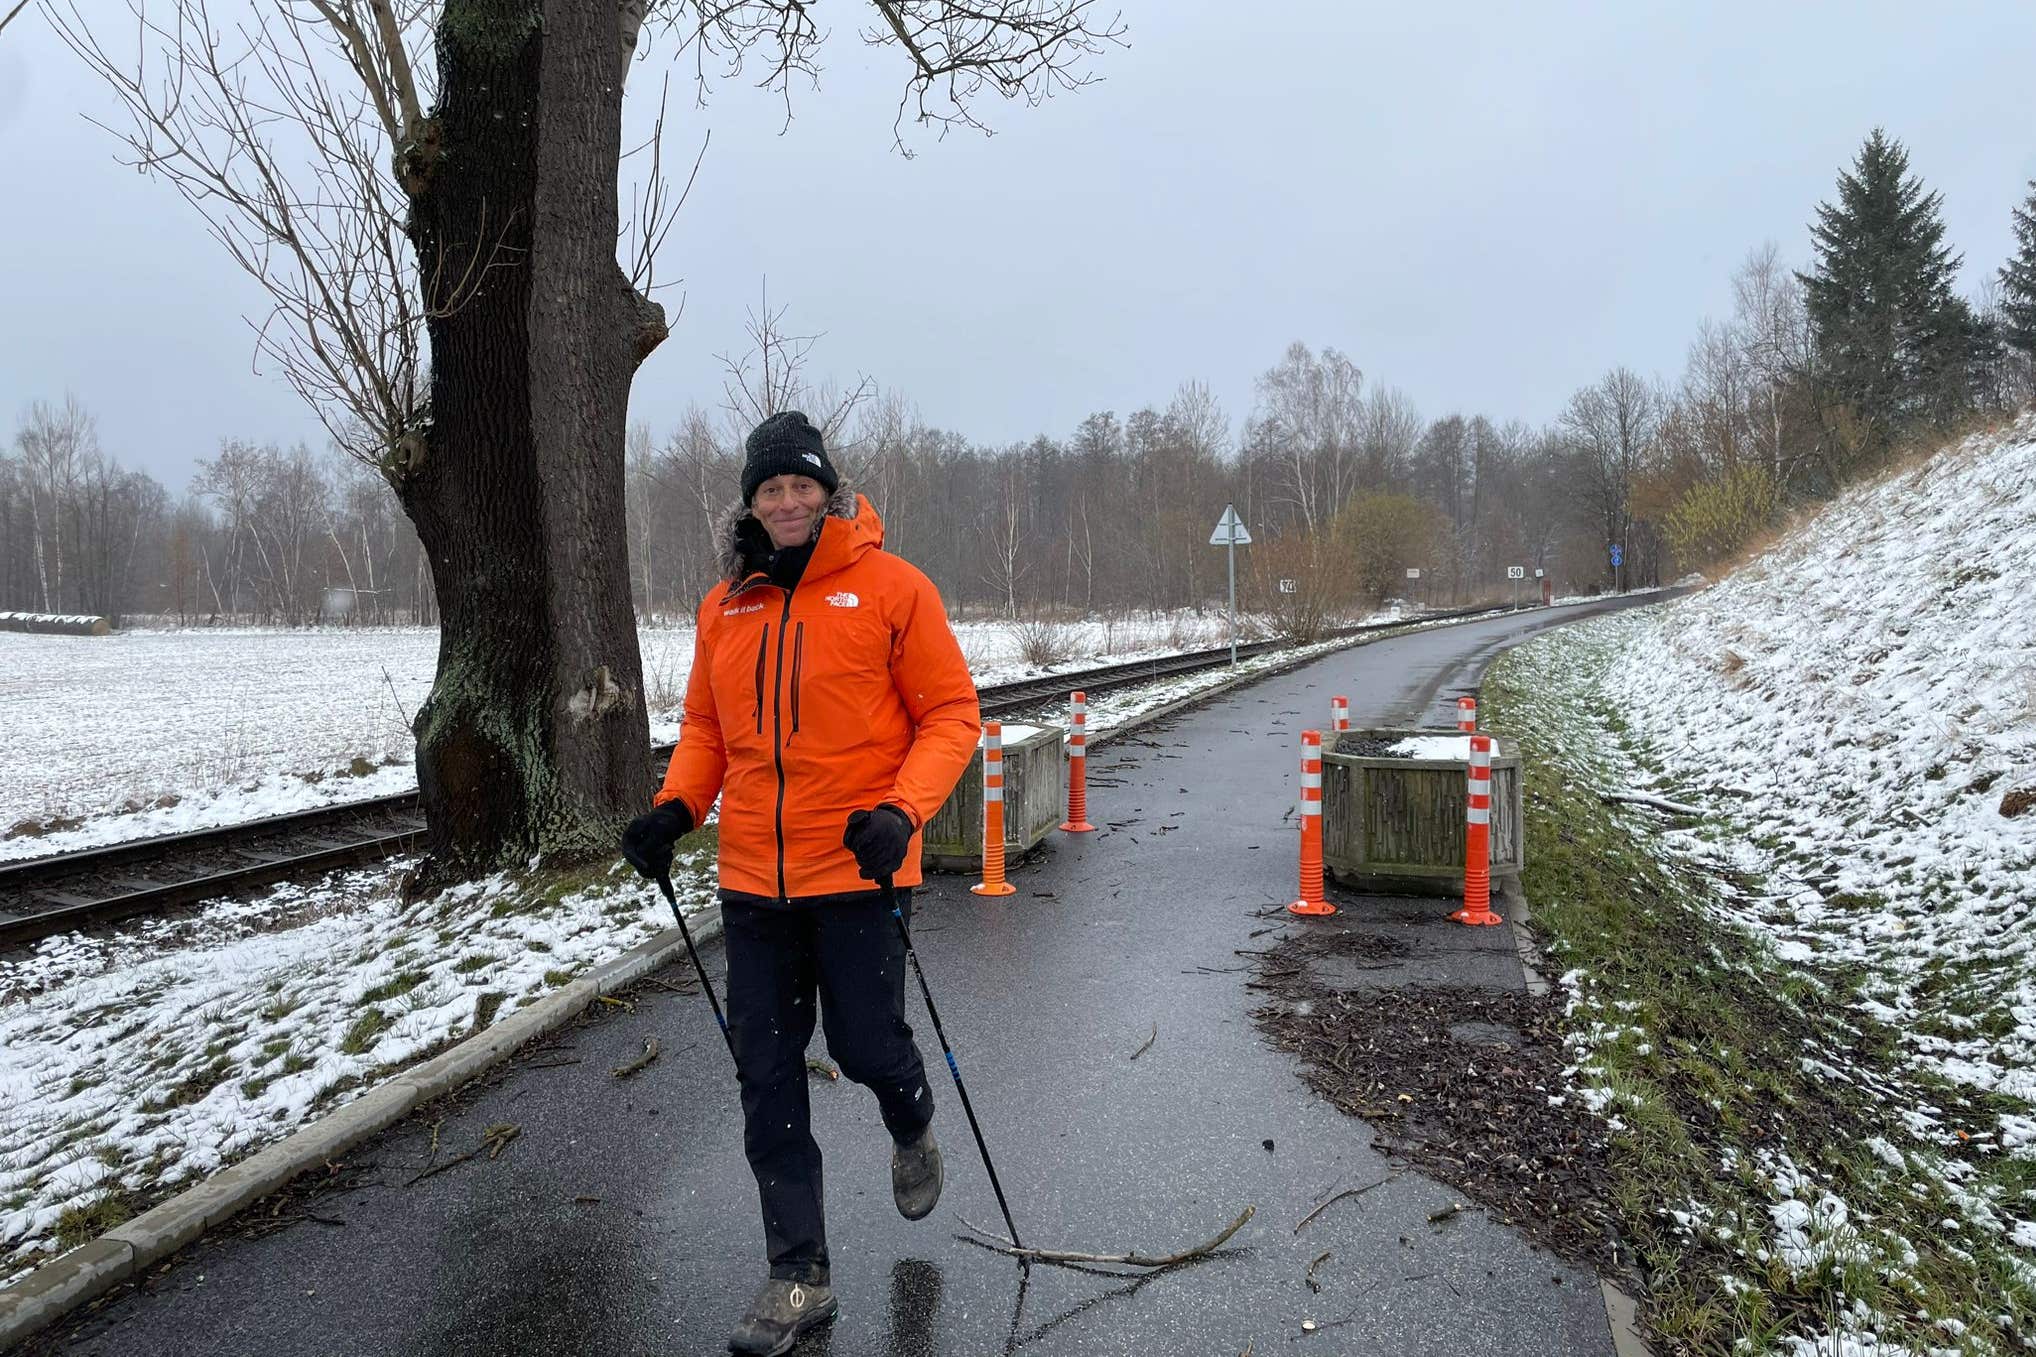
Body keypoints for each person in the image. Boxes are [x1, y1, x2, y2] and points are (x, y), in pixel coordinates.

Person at [620, 410, 980, 1357]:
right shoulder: (724, 606)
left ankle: (913, 1121)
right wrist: (675, 808)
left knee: (867, 1048)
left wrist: (901, 811)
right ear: (751, 503)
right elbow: (706, 730)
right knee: (766, 1075)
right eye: (769, 489)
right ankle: (798, 1274)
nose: (785, 502)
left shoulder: (894, 590)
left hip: (858, 870)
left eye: (800, 486)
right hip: (753, 884)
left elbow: (950, 715)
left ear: (829, 492)